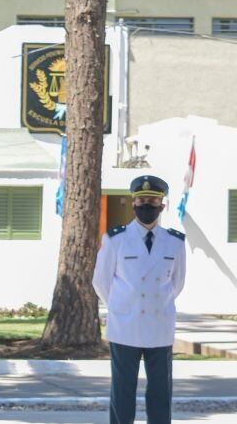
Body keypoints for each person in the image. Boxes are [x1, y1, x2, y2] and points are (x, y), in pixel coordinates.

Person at [93, 175, 186, 424]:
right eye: (142, 200)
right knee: (122, 391)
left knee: (160, 391)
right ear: (133, 204)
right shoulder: (115, 239)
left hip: (159, 323)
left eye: (153, 201)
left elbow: (176, 283)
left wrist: (155, 304)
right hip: (125, 324)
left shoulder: (175, 242)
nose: (147, 206)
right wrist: (120, 306)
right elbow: (100, 282)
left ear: (162, 205)